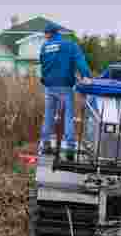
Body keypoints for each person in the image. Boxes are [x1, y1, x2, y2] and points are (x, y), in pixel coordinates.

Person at [39, 22, 92, 160]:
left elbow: (44, 66)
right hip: (65, 86)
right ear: (58, 33)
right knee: (68, 116)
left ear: (49, 34)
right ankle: (69, 148)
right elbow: (80, 60)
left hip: (50, 86)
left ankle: (45, 144)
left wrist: (46, 80)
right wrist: (86, 76)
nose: (45, 37)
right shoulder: (70, 45)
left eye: (45, 35)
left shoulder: (45, 47)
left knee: (49, 115)